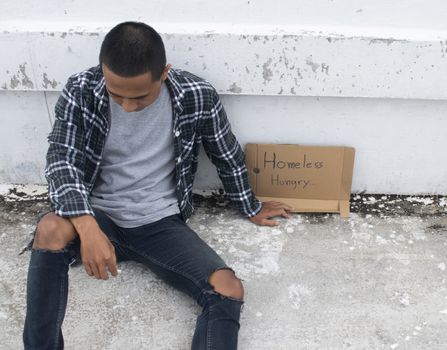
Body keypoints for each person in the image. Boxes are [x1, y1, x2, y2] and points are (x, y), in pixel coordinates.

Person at [23, 21, 292, 350]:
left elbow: (225, 152)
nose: (127, 105)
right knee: (50, 228)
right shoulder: (81, 89)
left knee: (228, 288)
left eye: (139, 97)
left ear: (164, 73)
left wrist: (249, 205)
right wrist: (88, 227)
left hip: (160, 223)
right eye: (116, 94)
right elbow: (61, 159)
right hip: (98, 216)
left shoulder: (195, 95)